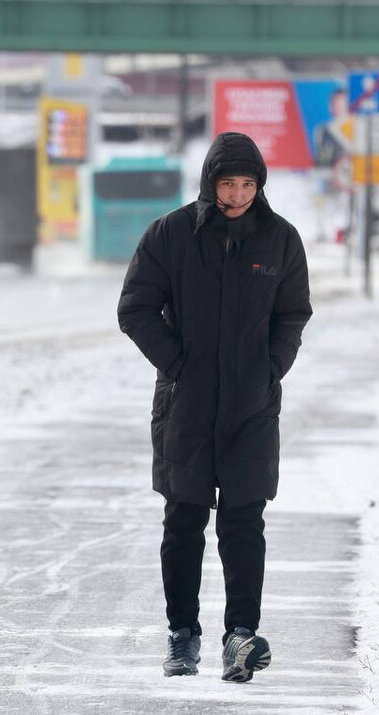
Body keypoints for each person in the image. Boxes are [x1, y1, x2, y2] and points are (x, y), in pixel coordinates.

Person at [116, 131, 312, 682]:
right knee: (184, 518)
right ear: (210, 183)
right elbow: (135, 308)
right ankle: (182, 636)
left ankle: (241, 635)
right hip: (187, 403)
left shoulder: (280, 240)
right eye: (228, 183)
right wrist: (178, 365)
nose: (238, 194)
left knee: (245, 519)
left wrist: (270, 368)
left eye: (248, 183)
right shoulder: (171, 235)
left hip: (252, 405)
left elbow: (292, 314)